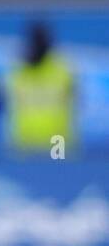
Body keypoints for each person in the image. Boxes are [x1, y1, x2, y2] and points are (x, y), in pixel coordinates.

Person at [7, 22, 77, 154]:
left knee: (60, 174)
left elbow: (75, 100)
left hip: (58, 143)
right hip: (24, 144)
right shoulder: (17, 73)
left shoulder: (62, 70)